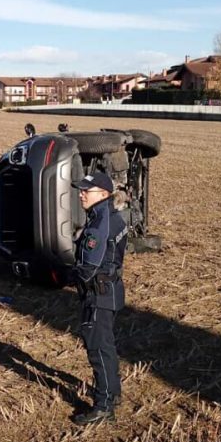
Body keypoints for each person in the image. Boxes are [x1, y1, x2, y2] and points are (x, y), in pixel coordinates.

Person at [70, 172, 127, 426]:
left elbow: (88, 267)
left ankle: (103, 406)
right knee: (107, 347)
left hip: (99, 294)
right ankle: (112, 394)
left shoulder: (99, 223)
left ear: (103, 194)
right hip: (110, 291)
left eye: (86, 190)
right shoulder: (111, 217)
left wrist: (69, 275)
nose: (81, 194)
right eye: (81, 190)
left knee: (98, 350)